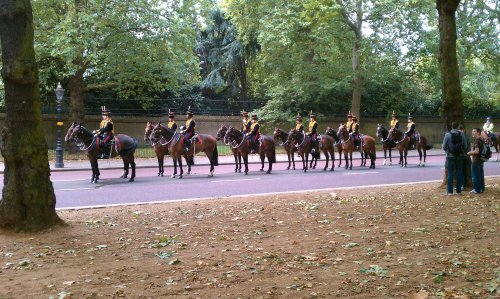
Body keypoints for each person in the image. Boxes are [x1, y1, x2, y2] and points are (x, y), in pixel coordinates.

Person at [442, 121, 468, 195]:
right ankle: (458, 191)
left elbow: (443, 146)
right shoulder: (462, 134)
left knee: (450, 173)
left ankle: (449, 191)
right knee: (459, 173)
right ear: (457, 127)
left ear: (451, 127)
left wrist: (447, 152)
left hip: (450, 156)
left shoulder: (447, 135)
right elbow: (465, 146)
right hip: (460, 156)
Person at [467, 128, 485, 194]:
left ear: (478, 132)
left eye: (474, 131)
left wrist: (469, 153)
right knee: (480, 175)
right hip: (481, 160)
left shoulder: (477, 141)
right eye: (472, 131)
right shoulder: (482, 140)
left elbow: (476, 151)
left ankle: (477, 190)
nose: (472, 132)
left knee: (475, 176)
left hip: (476, 160)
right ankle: (481, 188)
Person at [459, 124, 471, 191]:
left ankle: (461, 185)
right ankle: (463, 185)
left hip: (460, 156)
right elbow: (468, 147)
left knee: (460, 171)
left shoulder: (459, 136)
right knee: (463, 171)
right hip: (465, 156)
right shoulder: (466, 137)